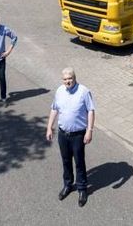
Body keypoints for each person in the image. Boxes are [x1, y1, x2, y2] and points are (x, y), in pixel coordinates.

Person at [46, 67, 95, 207]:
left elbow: (91, 111)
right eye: (65, 79)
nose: (68, 81)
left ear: (75, 78)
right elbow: (54, 109)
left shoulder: (84, 91)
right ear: (63, 80)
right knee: (66, 161)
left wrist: (89, 130)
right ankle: (68, 185)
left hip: (78, 135)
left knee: (79, 162)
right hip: (63, 134)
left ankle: (82, 189)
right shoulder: (60, 91)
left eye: (70, 78)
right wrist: (49, 127)